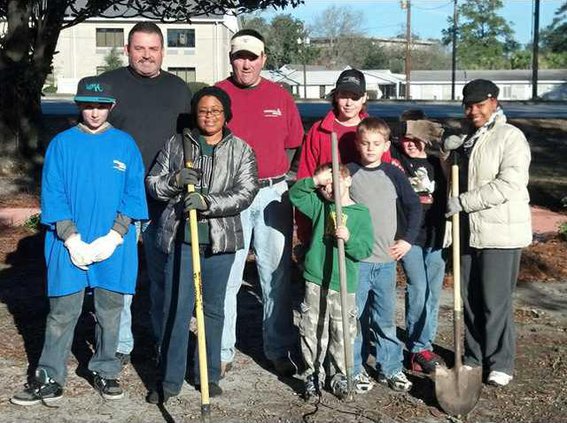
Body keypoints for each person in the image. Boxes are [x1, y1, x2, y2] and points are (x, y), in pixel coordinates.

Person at [11, 77, 148, 406]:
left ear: (111, 107)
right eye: (88, 105)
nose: (95, 112)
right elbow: (54, 193)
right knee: (62, 312)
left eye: (101, 106)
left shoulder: (125, 145)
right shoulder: (62, 144)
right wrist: (71, 237)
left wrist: (116, 234)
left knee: (110, 311)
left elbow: (133, 192)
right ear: (79, 107)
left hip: (113, 243)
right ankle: (49, 375)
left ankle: (104, 367)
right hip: (67, 241)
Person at [145, 86, 259, 403]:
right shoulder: (177, 144)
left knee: (212, 312)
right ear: (196, 113)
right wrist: (175, 180)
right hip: (181, 240)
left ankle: (207, 375)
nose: (209, 116)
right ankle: (169, 380)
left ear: (226, 115)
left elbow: (245, 192)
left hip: (220, 243)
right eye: (203, 110)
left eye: (216, 110)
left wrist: (207, 201)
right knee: (175, 311)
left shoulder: (241, 149)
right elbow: (153, 184)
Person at [99, 22, 192, 365]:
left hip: (164, 199)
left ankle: (162, 339)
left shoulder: (178, 89)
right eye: (139, 48)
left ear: (162, 52)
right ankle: (120, 345)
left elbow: (187, 143)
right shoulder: (110, 85)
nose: (146, 55)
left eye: (153, 49)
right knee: (119, 277)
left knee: (163, 275)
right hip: (119, 198)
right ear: (127, 49)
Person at [216, 29, 304, 376]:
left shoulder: (280, 97)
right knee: (227, 275)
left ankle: (278, 347)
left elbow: (294, 142)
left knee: (276, 274)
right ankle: (221, 352)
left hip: (273, 193)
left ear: (263, 59)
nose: (246, 63)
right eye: (240, 56)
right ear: (231, 59)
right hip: (231, 195)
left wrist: (274, 175)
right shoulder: (217, 95)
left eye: (253, 57)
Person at [444, 79, 531, 387]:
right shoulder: (467, 137)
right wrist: (448, 154)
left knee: (495, 301)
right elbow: (453, 179)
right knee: (467, 298)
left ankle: (500, 361)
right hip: (466, 230)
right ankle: (473, 355)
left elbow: (510, 184)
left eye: (480, 105)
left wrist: (464, 202)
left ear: (495, 102)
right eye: (468, 106)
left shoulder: (510, 137)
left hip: (500, 231)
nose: (473, 111)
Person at [348, 117, 422, 392]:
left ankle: (389, 367)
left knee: (385, 319)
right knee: (353, 318)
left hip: (386, 262)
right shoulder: (348, 173)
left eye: (376, 144)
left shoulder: (394, 174)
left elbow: (414, 207)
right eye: (365, 143)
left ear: (385, 146)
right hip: (358, 262)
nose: (370, 148)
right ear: (357, 143)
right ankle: (353, 369)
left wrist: (407, 240)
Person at [290, 163, 373, 400]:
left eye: (333, 181)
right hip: (316, 279)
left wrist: (348, 239)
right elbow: (295, 195)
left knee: (343, 332)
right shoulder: (319, 206)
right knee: (313, 329)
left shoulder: (361, 213)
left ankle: (340, 376)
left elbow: (365, 249)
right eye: (324, 185)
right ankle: (313, 376)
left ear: (347, 181)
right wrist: (315, 181)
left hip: (343, 283)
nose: (329, 188)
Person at [390, 109, 448, 373]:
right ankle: (417, 348)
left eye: (416, 138)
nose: (410, 143)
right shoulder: (396, 160)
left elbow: (447, 143)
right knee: (419, 288)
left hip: (435, 236)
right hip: (409, 237)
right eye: (406, 138)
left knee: (433, 292)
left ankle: (426, 342)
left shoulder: (438, 164)